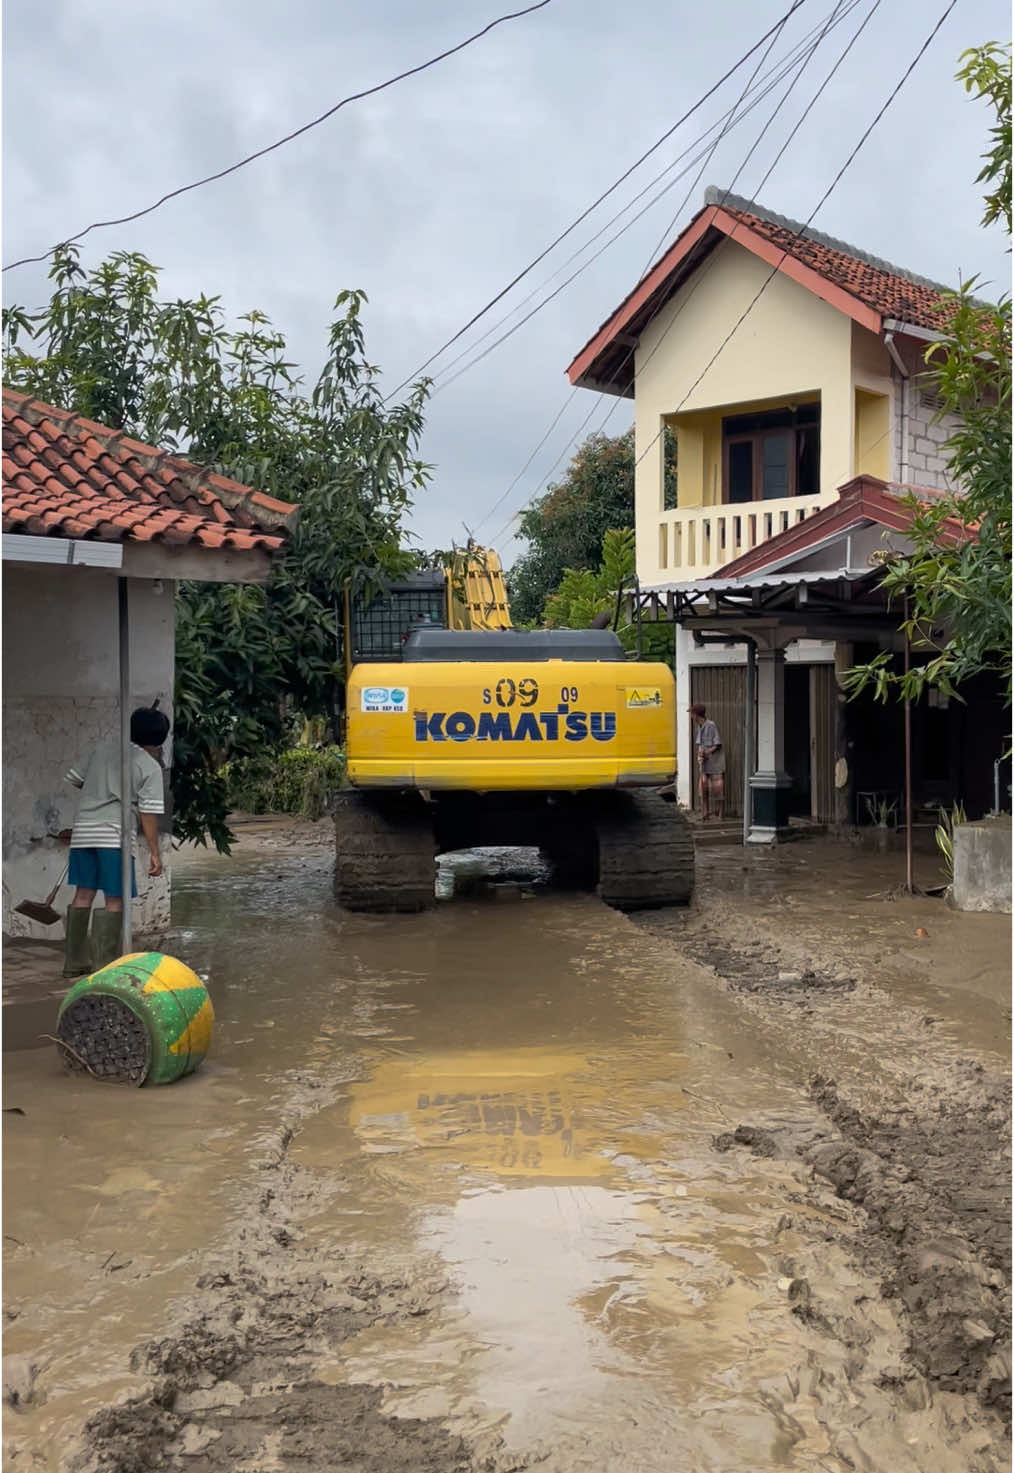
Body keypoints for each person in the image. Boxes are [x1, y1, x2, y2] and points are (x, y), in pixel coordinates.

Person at [62, 707, 169, 976]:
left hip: (84, 831)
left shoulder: (101, 750)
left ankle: (74, 964)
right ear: (159, 740)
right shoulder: (148, 766)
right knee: (115, 899)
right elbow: (148, 814)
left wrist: (101, 789)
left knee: (83, 894)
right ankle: (104, 968)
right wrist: (155, 853)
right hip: (114, 835)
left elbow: (76, 780)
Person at [690, 703, 725, 821]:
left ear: (696, 715)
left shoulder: (711, 725)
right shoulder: (699, 727)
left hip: (715, 762)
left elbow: (717, 744)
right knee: (703, 787)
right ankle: (705, 813)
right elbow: (700, 744)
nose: (691, 716)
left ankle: (720, 814)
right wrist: (699, 754)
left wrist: (707, 752)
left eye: (692, 714)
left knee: (717, 787)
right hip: (704, 763)